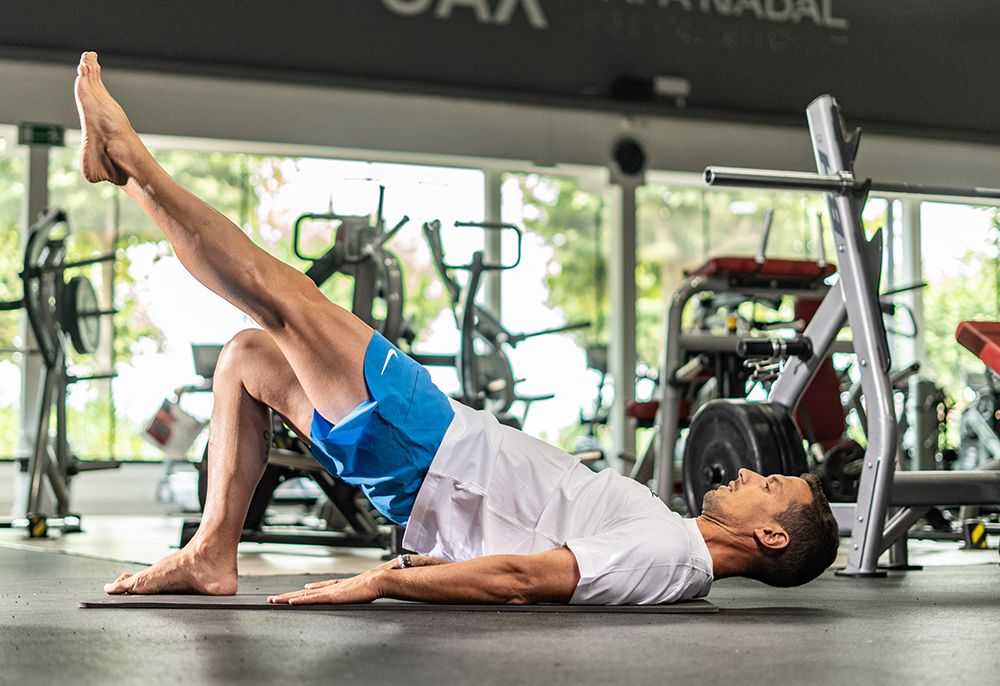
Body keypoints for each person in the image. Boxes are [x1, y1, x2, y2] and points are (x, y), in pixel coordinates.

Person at [75, 52, 840, 606]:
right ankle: (213, 552)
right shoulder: (676, 555)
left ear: (771, 537)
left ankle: (130, 160)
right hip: (435, 461)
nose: (745, 473)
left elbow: (522, 580)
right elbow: (532, 559)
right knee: (248, 357)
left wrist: (382, 579)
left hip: (434, 448)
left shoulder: (667, 553)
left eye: (768, 485)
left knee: (278, 296)